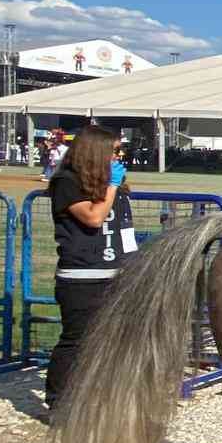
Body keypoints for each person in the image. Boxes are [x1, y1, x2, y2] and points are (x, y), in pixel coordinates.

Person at [44, 126, 137, 412]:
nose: (118, 156)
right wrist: (111, 186)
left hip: (117, 273)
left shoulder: (110, 184)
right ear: (96, 151)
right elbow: (94, 217)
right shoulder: (66, 182)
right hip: (82, 277)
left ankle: (99, 400)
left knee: (113, 342)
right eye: (114, 151)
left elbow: (122, 227)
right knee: (77, 341)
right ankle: (59, 403)